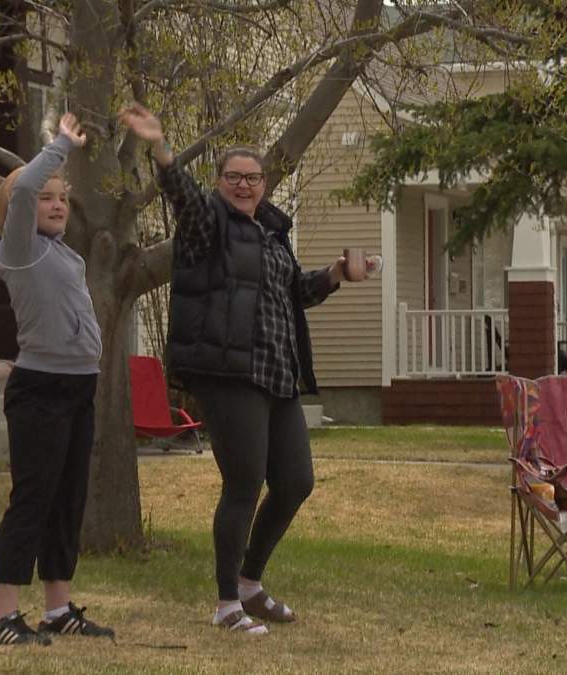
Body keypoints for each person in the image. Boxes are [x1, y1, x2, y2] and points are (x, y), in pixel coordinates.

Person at [120, 103, 376, 635]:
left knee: (295, 482)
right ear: (220, 183)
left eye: (253, 178)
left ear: (263, 184)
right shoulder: (205, 225)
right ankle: (224, 604)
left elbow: (295, 293)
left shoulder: (271, 233)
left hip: (278, 374)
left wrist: (336, 273)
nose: (244, 186)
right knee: (244, 483)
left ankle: (250, 585)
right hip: (228, 373)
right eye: (234, 178)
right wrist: (161, 147)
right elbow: (183, 198)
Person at [0, 113, 115, 645]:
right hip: (40, 389)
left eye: (63, 197)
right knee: (33, 499)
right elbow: (22, 190)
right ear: (21, 209)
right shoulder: (19, 250)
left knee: (68, 500)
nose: (57, 204)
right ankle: (3, 617)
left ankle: (58, 609)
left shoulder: (62, 252)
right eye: (47, 197)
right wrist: (61, 144)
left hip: (79, 386)